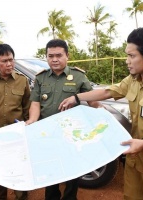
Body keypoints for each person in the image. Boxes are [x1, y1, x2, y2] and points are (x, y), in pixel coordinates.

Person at [59, 27, 143, 199]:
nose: (127, 61)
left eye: (132, 56)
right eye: (127, 55)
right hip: (135, 160)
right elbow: (107, 92)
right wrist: (76, 98)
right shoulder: (134, 80)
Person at [26, 38, 102, 200]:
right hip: (48, 133)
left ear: (67, 56)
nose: (54, 59)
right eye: (50, 56)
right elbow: (35, 103)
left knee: (72, 171)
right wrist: (32, 120)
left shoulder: (78, 76)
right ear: (46, 57)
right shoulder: (41, 78)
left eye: (58, 55)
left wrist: (103, 115)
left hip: (71, 134)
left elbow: (93, 101)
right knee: (50, 170)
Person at [0, 44, 30, 200]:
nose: (9, 64)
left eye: (11, 60)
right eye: (5, 61)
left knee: (20, 172)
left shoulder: (22, 81)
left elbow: (26, 107)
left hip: (17, 136)